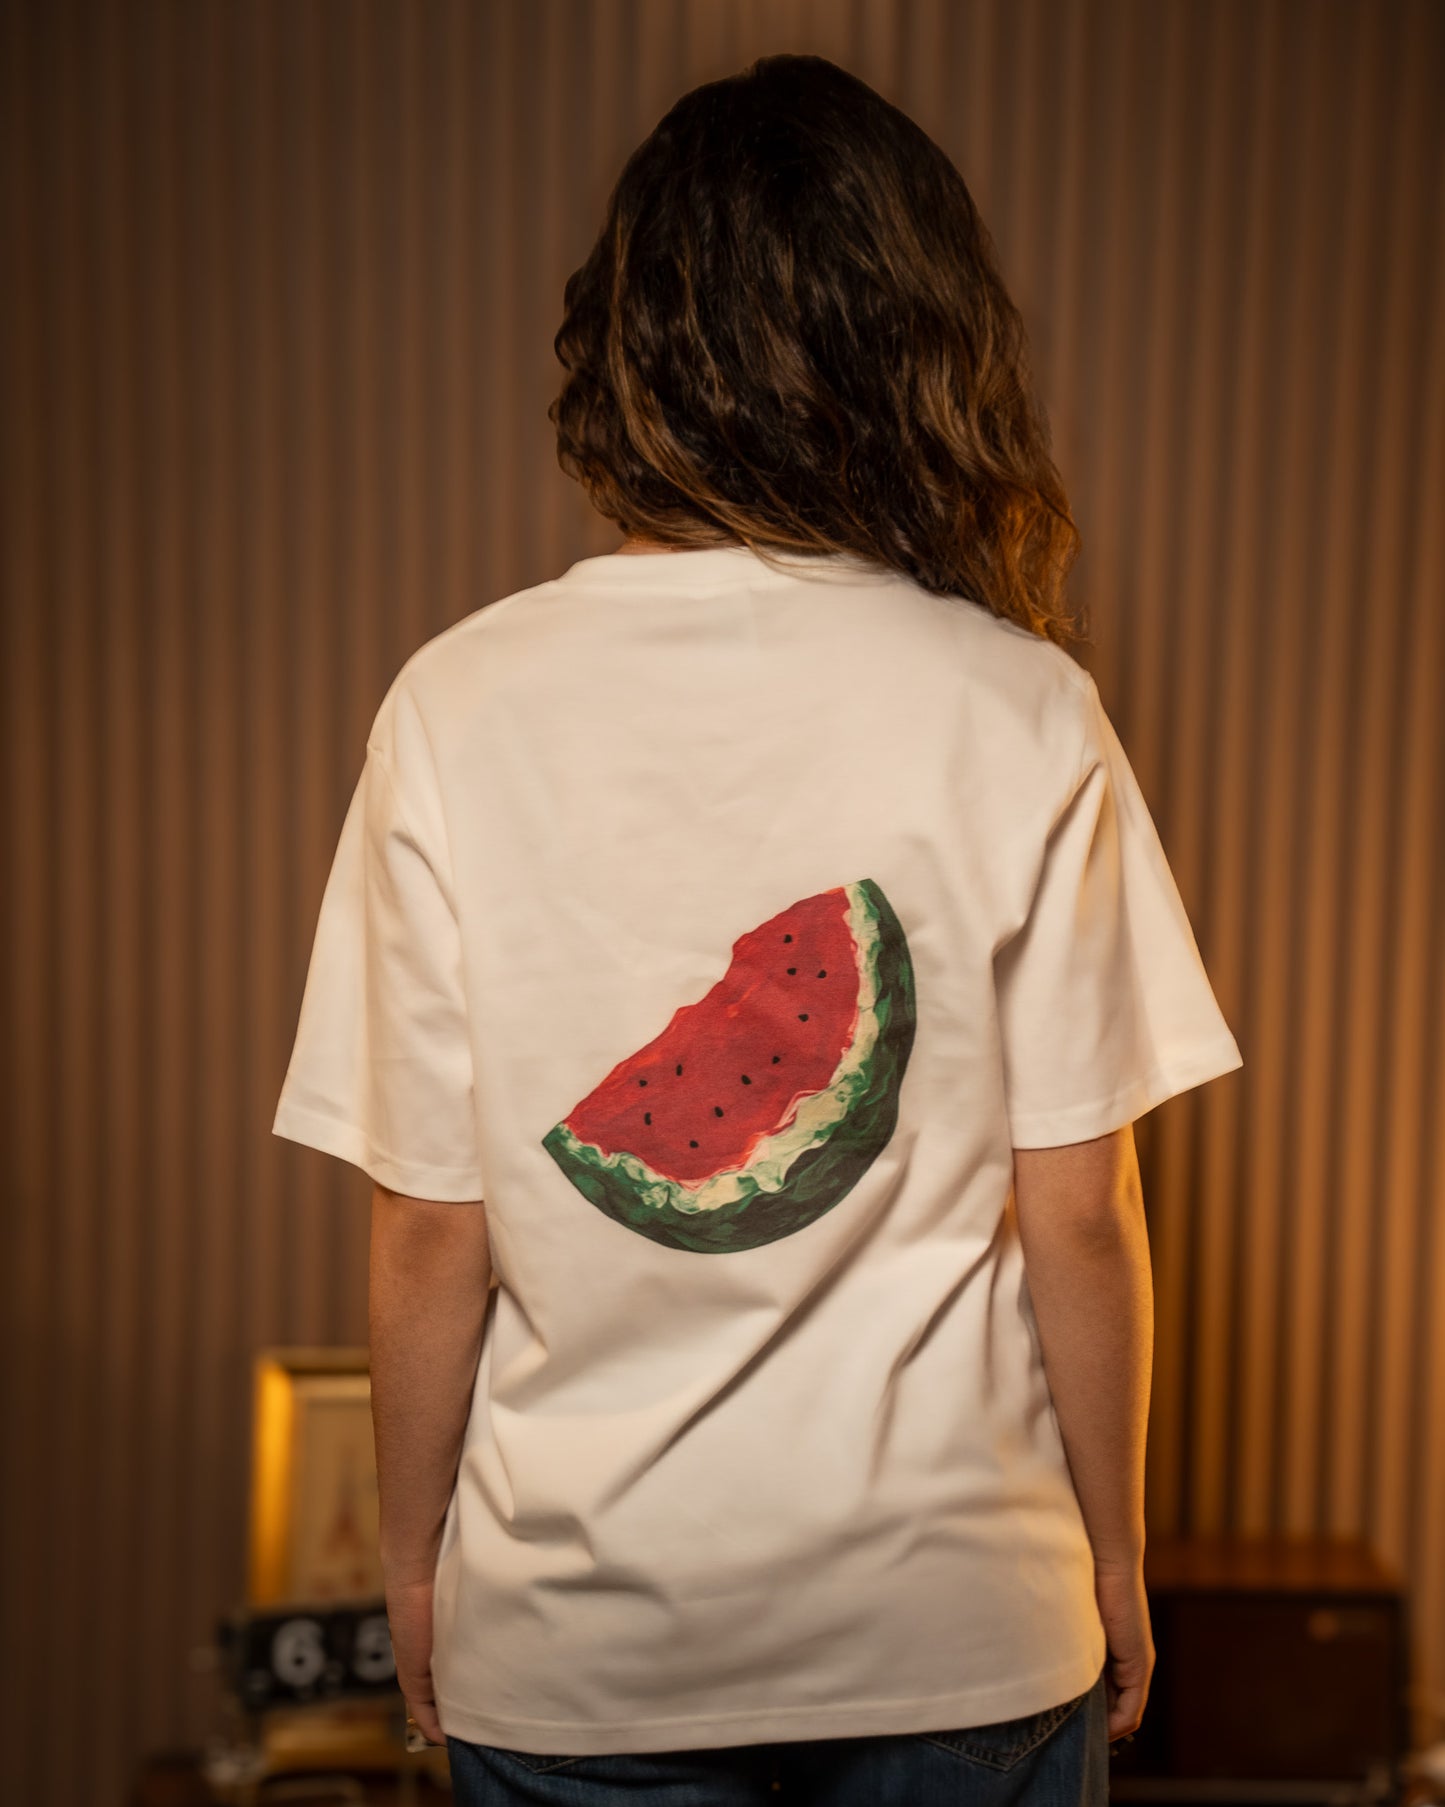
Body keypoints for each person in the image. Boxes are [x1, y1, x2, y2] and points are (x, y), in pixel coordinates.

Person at [273, 51, 1243, 1807]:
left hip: (575, 1645)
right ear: (919, 348)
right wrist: (1113, 1553)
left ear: (632, 347)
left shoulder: (453, 705)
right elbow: (1080, 1215)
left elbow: (429, 1230)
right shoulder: (1021, 707)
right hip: (957, 1633)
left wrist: (414, 1571)